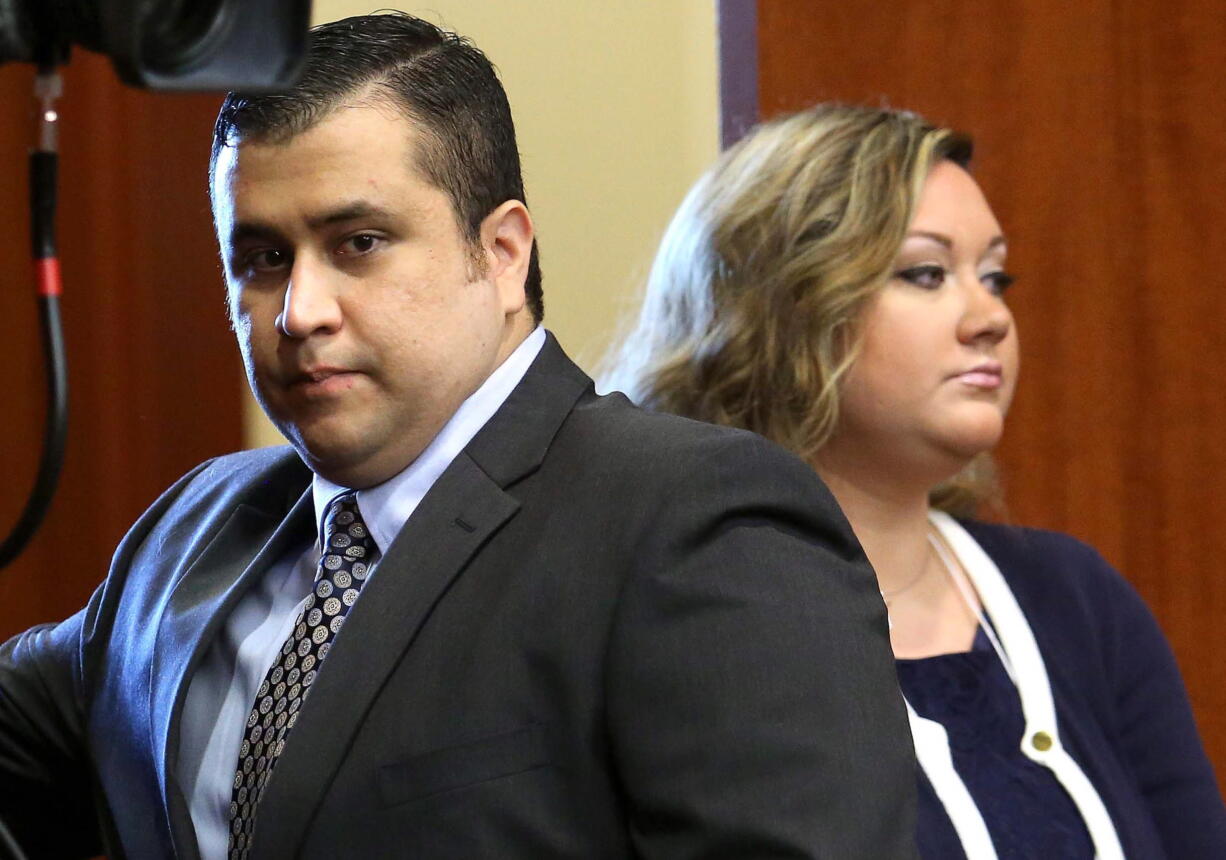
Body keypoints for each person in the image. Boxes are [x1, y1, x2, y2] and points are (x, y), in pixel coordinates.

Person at [0, 17, 919, 860]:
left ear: (505, 253)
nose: (298, 313)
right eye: (262, 258)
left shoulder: (696, 523)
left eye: (358, 242)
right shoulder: (191, 532)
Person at [605, 103, 1226, 858]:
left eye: (996, 276)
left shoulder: (1076, 599)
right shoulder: (673, 622)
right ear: (782, 312)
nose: (989, 315)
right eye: (926, 273)